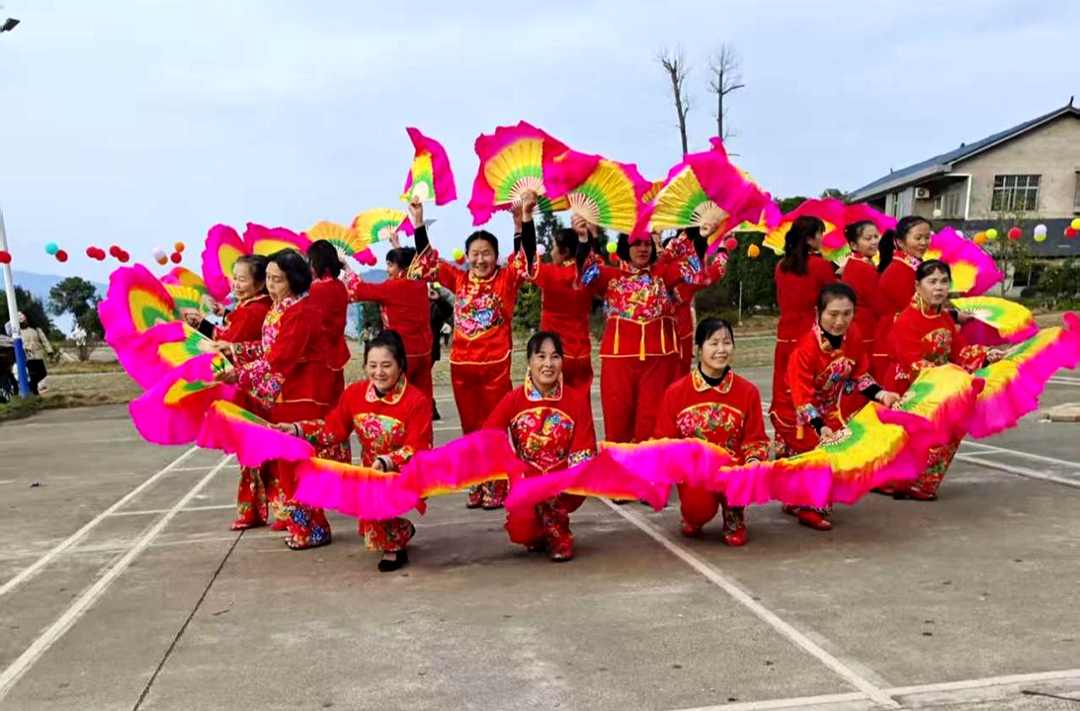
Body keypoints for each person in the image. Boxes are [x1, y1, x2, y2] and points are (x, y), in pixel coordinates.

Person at [412, 193, 537, 509]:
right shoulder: (458, 278)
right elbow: (427, 261)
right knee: (470, 430)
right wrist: (418, 221)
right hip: (462, 368)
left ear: (496, 256)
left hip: (495, 367)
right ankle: (477, 482)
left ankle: (498, 483)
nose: (480, 260)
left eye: (487, 254)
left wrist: (522, 221)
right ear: (466, 256)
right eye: (475, 254)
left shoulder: (506, 280)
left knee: (493, 428)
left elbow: (526, 258)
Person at [216, 249, 342, 549]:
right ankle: (305, 527)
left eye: (278, 279)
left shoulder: (301, 311)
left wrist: (240, 374)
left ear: (294, 279)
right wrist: (234, 350)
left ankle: (314, 529)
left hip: (304, 395)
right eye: (269, 279)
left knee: (298, 465)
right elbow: (269, 348)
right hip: (286, 395)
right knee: (287, 465)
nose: (271, 285)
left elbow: (281, 357)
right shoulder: (280, 308)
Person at [281, 330, 433, 572]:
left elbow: (419, 448)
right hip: (370, 472)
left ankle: (394, 545)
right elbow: (333, 429)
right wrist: (298, 429)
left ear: (401, 365)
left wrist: (388, 461)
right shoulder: (355, 395)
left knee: (375, 514)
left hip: (405, 473)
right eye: (372, 365)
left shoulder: (417, 402)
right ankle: (398, 528)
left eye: (386, 365)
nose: (379, 372)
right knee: (367, 523)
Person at [769, 283, 900, 530]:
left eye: (847, 314)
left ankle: (796, 497)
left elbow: (859, 374)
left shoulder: (853, 336)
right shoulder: (805, 349)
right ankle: (809, 507)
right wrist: (820, 428)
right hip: (794, 414)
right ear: (818, 313)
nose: (840, 321)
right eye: (833, 314)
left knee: (846, 449)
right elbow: (802, 399)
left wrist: (882, 395)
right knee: (828, 455)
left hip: (827, 411)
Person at [579, 226, 721, 450]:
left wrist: (702, 235)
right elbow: (586, 273)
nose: (643, 249)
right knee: (617, 421)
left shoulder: (662, 275)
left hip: (657, 363)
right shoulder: (611, 277)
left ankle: (651, 469)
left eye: (647, 244)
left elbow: (693, 269)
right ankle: (618, 469)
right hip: (618, 363)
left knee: (652, 422)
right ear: (625, 247)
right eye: (636, 244)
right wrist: (584, 236)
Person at [885, 260, 1003, 500]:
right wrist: (948, 378)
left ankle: (922, 482)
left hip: (941, 382)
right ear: (917, 286)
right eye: (932, 282)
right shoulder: (906, 319)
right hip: (909, 385)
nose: (939, 287)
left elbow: (960, 351)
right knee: (916, 435)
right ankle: (905, 482)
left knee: (954, 422)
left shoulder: (945, 318)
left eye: (943, 282)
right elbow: (912, 362)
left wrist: (987, 355)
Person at [654, 317, 769, 546]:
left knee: (746, 477)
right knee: (698, 511)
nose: (721, 350)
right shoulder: (677, 392)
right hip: (695, 473)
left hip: (732, 470)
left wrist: (753, 463)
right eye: (713, 343)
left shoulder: (747, 392)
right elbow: (664, 439)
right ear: (699, 349)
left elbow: (755, 438)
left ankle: (734, 514)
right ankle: (693, 515)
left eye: (727, 343)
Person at [483, 331, 596, 561]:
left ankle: (555, 524)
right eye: (541, 356)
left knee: (578, 480)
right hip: (527, 482)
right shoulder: (513, 400)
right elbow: (489, 437)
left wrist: (561, 484)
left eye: (555, 357)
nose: (548, 364)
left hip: (563, 485)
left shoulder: (576, 401)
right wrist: (509, 472)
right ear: (529, 361)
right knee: (522, 533)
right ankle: (547, 524)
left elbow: (584, 452)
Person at [196, 255, 279, 530]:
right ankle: (280, 509)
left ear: (260, 283)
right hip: (263, 388)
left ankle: (253, 510)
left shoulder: (253, 310)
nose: (236, 284)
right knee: (267, 450)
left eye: (242, 279)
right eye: (234, 278)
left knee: (252, 451)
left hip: (253, 390)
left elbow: (229, 340)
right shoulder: (258, 306)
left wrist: (202, 328)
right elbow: (231, 334)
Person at [341, 204, 435, 405]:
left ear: (400, 267)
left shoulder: (391, 288)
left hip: (401, 352)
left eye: (390, 265)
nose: (387, 270)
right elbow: (412, 266)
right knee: (423, 396)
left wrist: (347, 268)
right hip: (424, 350)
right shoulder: (419, 283)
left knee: (399, 399)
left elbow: (359, 290)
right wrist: (397, 243)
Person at [770, 215, 837, 414]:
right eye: (820, 234)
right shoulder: (820, 265)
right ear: (809, 239)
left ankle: (785, 425)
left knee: (785, 384)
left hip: (785, 332)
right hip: (810, 331)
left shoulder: (781, 266)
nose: (822, 238)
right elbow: (833, 298)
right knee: (811, 385)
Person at [528, 216, 601, 398]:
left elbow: (525, 258)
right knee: (581, 405)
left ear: (565, 251)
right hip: (581, 353)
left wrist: (525, 218)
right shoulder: (589, 274)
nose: (551, 252)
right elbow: (597, 259)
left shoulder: (550, 274)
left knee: (555, 405)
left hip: (555, 354)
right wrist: (592, 233)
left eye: (554, 247)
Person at [871, 216, 930, 380]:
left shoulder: (913, 267)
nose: (923, 243)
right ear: (900, 242)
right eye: (918, 238)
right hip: (896, 341)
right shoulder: (898, 270)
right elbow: (914, 309)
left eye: (927, 237)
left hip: (906, 337)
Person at [307, 240, 350, 405]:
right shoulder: (339, 286)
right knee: (336, 400)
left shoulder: (315, 290)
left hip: (320, 354)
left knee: (321, 402)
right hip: (337, 350)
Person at [9, 312, 54, 395]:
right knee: (31, 374)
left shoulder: (36, 329)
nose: (20, 317)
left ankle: (34, 387)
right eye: (17, 316)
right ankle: (33, 390)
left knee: (43, 373)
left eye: (21, 315)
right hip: (27, 356)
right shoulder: (16, 331)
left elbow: (44, 340)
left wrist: (49, 350)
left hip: (38, 354)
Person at [429, 285, 453, 420]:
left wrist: (438, 299)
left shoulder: (433, 306)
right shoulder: (412, 306)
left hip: (429, 350)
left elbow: (448, 311)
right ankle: (430, 409)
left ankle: (431, 409)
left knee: (421, 382)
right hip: (415, 350)